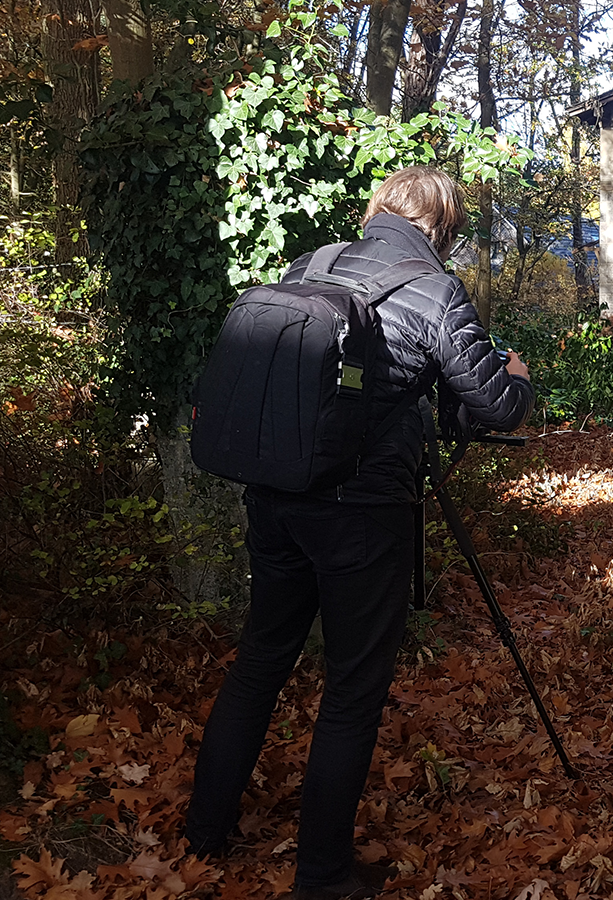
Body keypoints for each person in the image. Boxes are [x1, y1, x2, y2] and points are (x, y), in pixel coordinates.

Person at [183, 167, 533, 900]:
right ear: (441, 228)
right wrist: (519, 376)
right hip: (362, 516)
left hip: (275, 498)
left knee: (259, 662)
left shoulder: (308, 264)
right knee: (351, 691)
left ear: (380, 212)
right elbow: (494, 406)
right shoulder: (435, 290)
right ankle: (323, 878)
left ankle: (203, 832)